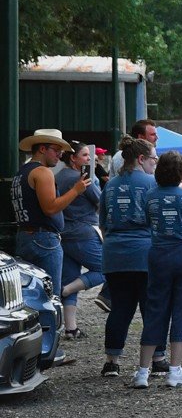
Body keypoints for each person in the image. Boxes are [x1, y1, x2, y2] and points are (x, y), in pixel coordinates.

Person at [132, 151, 182, 389]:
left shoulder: (150, 197)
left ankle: (142, 372)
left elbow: (146, 222)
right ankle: (175, 370)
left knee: (155, 309)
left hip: (159, 255)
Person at [99, 136, 167, 377]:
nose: (155, 164)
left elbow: (103, 224)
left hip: (115, 254)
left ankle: (112, 361)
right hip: (145, 253)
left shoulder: (109, 185)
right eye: (153, 159)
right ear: (141, 159)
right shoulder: (152, 184)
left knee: (120, 309)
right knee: (152, 308)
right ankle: (158, 358)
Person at [11, 129, 91, 311]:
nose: (60, 154)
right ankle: (51, 337)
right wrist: (76, 190)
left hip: (24, 236)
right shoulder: (43, 172)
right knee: (50, 297)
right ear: (42, 149)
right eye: (56, 150)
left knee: (29, 295)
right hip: (44, 239)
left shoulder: (20, 173)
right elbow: (51, 207)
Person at [56, 141, 105, 339]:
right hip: (83, 232)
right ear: (73, 158)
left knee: (71, 275)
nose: (89, 159)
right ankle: (64, 290)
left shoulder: (57, 177)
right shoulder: (82, 178)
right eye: (85, 155)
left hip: (63, 233)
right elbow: (100, 201)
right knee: (106, 268)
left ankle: (70, 328)